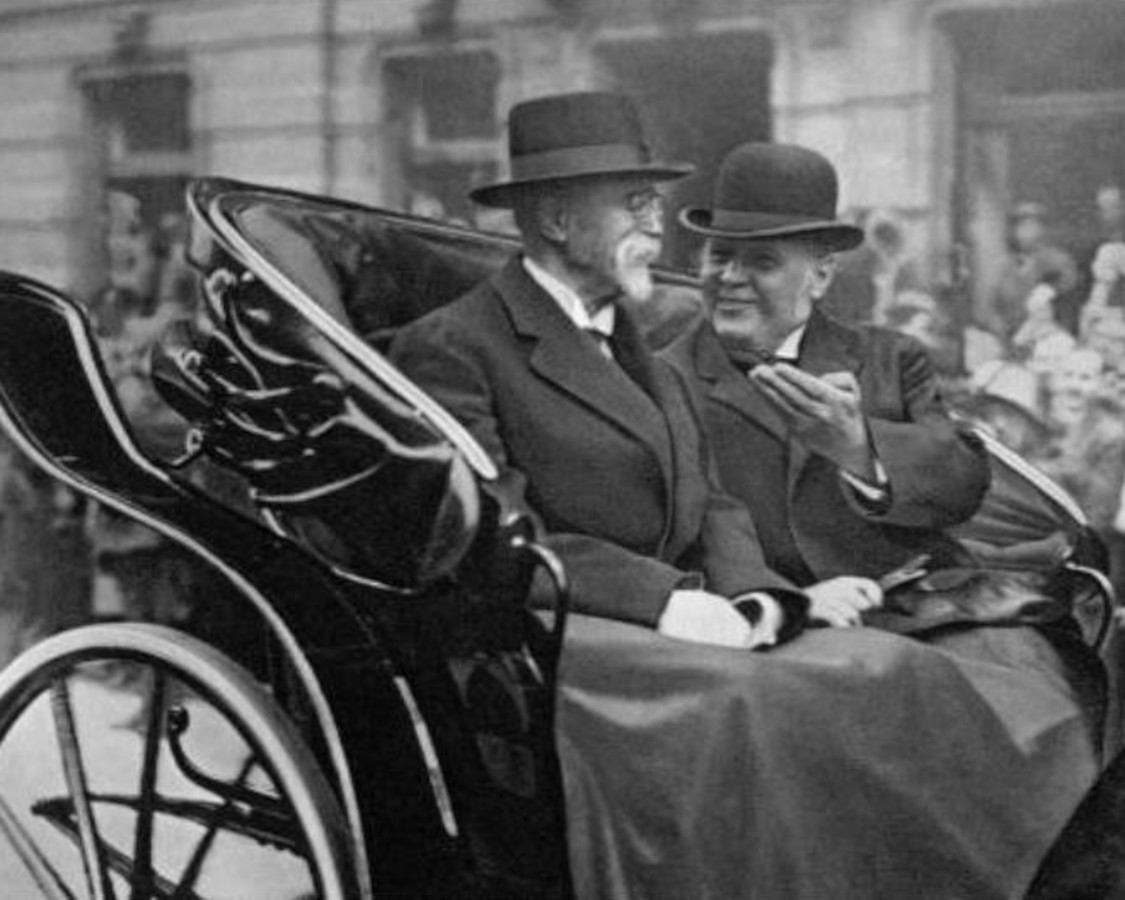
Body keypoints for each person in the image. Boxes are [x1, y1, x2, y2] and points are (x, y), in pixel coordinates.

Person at [661, 142, 1106, 719]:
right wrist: (784, 603)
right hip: (776, 630)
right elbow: (681, 529)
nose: (730, 279)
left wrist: (859, 448)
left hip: (922, 611)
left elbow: (962, 490)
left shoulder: (889, 358)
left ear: (820, 275)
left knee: (1036, 697)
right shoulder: (664, 377)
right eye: (719, 257)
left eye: (762, 263)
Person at [390, 92, 808, 649]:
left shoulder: (650, 356)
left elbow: (710, 504)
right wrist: (662, 601)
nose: (656, 225)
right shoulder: (451, 348)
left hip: (683, 625)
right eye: (635, 204)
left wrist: (755, 595)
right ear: (557, 220)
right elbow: (486, 533)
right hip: (546, 635)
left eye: (655, 203)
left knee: (886, 666)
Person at [988, 201, 1079, 347]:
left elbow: (1068, 287)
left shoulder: (1058, 260)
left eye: (1033, 225)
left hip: (1050, 340)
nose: (1027, 232)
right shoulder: (1006, 267)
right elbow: (994, 304)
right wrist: (998, 327)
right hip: (1013, 341)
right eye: (1021, 226)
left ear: (1042, 229)